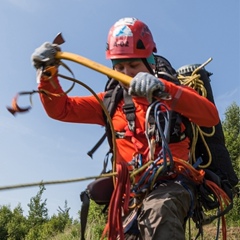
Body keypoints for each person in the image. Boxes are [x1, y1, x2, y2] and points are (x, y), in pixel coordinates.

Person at [31, 17, 219, 240]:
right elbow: (61, 110)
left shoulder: (171, 94)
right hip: (130, 196)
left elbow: (210, 117)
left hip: (173, 185)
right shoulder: (110, 103)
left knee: (158, 213)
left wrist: (163, 88)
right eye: (119, 66)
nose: (127, 73)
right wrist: (47, 73)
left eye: (134, 65)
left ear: (150, 63)